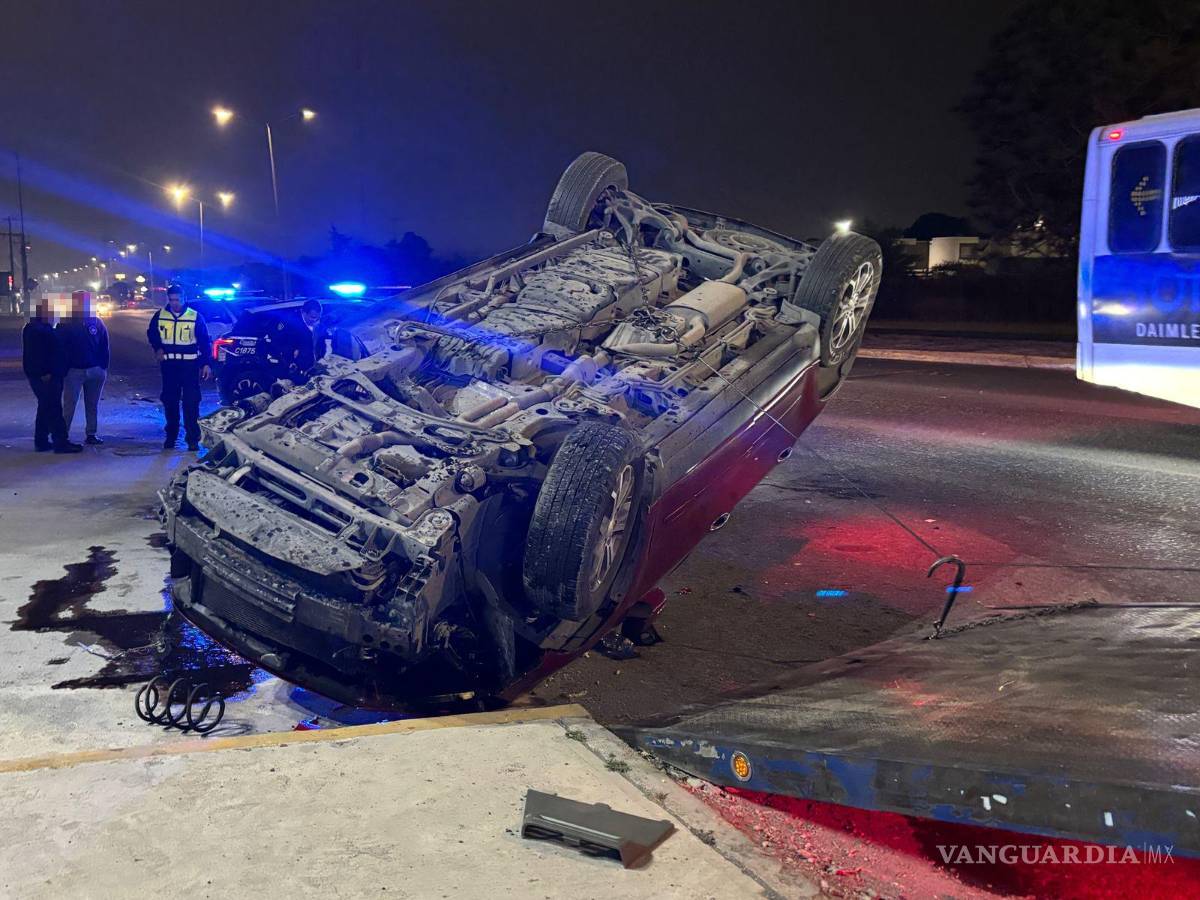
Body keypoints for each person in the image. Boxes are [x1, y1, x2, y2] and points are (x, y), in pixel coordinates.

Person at [147, 284, 211, 451]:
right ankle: (171, 436)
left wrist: (206, 364)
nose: (174, 303)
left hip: (190, 366)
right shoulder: (160, 316)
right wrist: (158, 348)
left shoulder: (195, 316)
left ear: (184, 299)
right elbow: (152, 334)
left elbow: (204, 341)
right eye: (171, 299)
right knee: (170, 401)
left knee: (191, 402)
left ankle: (192, 439)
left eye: (177, 299)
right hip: (169, 367)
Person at [22, 298, 81, 453]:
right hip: (46, 376)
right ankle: (60, 442)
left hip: (49, 374)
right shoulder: (37, 330)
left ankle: (41, 441)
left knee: (45, 407)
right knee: (53, 408)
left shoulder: (41, 328)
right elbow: (37, 354)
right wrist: (45, 372)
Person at [56, 290, 109, 445]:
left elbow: (104, 345)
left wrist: (102, 367)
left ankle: (91, 434)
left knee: (92, 404)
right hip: (74, 371)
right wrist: (64, 369)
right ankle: (62, 435)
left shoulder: (96, 322)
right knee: (69, 404)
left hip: (95, 371)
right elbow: (60, 348)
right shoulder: (65, 323)